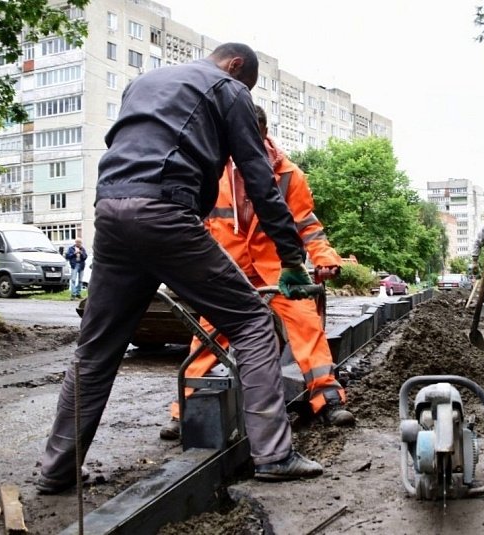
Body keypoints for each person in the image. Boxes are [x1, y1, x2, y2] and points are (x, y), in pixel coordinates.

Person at [36, 42, 324, 494]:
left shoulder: (142, 83)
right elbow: (258, 176)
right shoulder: (229, 87)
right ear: (235, 66)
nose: (244, 91)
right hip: (166, 212)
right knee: (252, 322)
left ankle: (56, 471)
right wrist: (291, 258)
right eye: (246, 83)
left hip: (109, 210)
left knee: (95, 350)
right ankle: (275, 456)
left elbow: (125, 144)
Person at [160, 106, 354, 441]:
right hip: (226, 269)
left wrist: (324, 257)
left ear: (263, 133)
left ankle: (328, 399)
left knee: (306, 323)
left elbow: (307, 224)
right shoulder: (211, 171)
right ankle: (184, 410)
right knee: (207, 336)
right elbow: (196, 222)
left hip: (278, 271)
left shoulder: (288, 175)